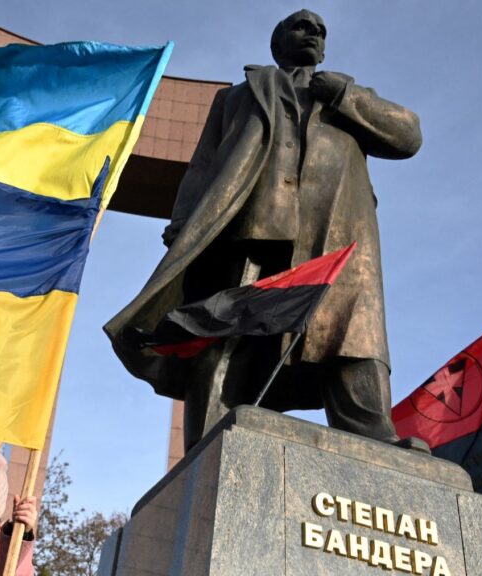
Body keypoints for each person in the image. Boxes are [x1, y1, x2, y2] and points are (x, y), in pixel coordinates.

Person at [105, 9, 422, 451]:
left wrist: (345, 95)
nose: (313, 33)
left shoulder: (347, 93)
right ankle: (211, 433)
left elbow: (408, 136)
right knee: (225, 327)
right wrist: (182, 221)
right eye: (301, 26)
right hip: (251, 224)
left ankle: (369, 428)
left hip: (337, 225)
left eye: (320, 30)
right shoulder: (236, 96)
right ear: (278, 41)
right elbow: (203, 165)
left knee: (351, 328)